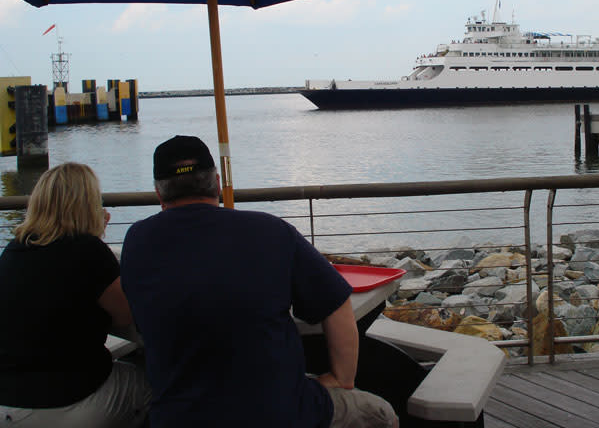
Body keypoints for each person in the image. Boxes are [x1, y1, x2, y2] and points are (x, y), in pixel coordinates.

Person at [121, 135, 398, 428]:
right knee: (380, 415)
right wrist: (342, 377)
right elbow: (336, 301)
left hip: (180, 417)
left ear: (159, 194)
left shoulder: (137, 242)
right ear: (217, 183)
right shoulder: (269, 231)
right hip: (279, 413)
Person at [0, 163, 151, 427]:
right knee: (156, 385)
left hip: (8, 403)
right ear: (87, 204)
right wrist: (98, 238)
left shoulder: (14, 250)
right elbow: (127, 315)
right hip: (62, 402)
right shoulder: (88, 252)